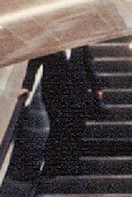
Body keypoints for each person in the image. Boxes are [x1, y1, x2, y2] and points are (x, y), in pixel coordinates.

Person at [36, 49, 101, 178]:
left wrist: (96, 88)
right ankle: (52, 165)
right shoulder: (48, 45)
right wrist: (26, 86)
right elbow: (34, 64)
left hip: (78, 94)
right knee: (58, 128)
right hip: (54, 95)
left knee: (76, 129)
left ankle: (71, 165)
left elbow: (88, 64)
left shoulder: (80, 45)